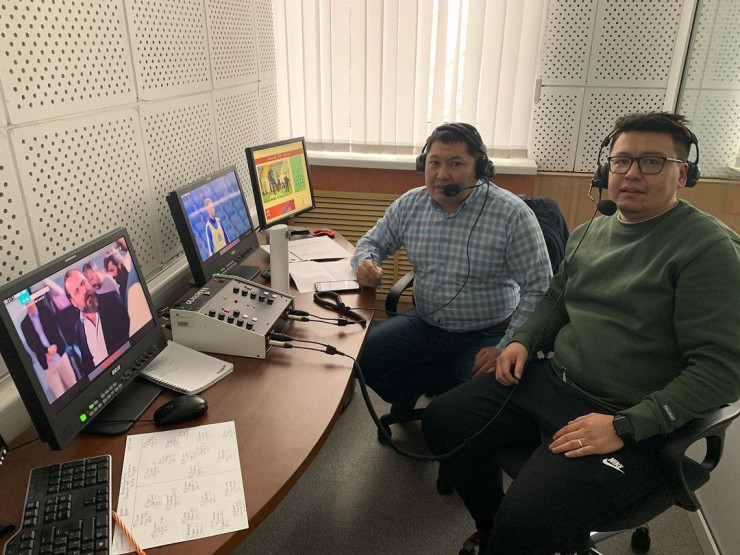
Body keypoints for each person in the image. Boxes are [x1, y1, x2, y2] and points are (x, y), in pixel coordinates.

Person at [422, 112, 740, 554]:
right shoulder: (591, 232)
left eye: (652, 162)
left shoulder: (708, 250)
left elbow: (722, 372)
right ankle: (495, 532)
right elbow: (555, 301)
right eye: (621, 160)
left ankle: (514, 537)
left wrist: (627, 425)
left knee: (527, 517)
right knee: (442, 421)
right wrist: (523, 341)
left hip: (627, 413)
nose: (631, 173)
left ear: (683, 174)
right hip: (556, 384)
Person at [351, 122, 552, 408]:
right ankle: (406, 396)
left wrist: (506, 345)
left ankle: (446, 411)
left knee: (475, 410)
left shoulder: (511, 215)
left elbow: (539, 289)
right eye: (434, 163)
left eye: (455, 164)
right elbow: (371, 243)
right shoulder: (410, 204)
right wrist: (365, 262)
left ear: (479, 169)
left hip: (488, 332)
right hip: (425, 322)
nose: (442, 174)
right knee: (359, 357)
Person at [63, 268, 130, 371]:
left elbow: (131, 337)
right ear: (73, 302)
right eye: (77, 291)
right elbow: (88, 365)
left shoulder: (112, 300)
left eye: (83, 283)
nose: (84, 290)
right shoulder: (79, 329)